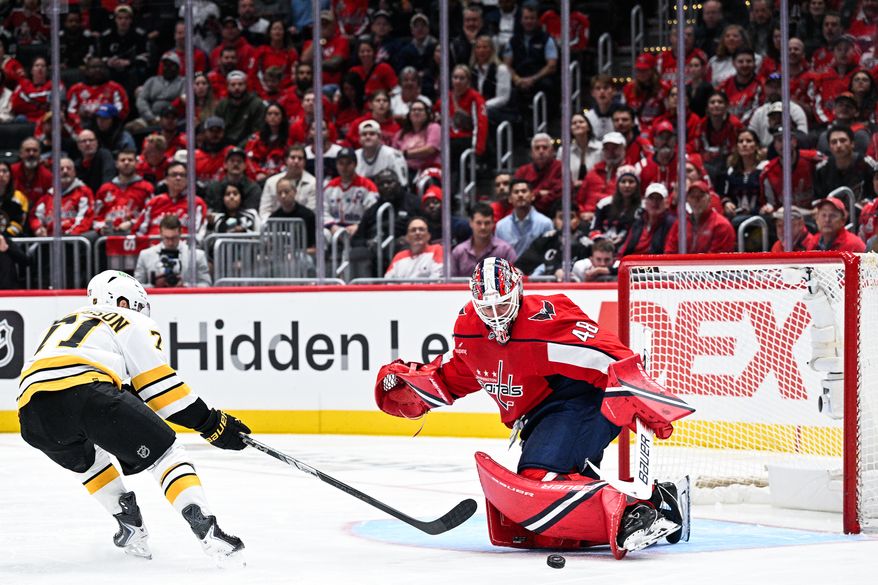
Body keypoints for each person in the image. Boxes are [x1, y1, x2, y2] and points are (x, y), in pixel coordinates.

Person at [373, 256, 691, 558]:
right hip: (542, 416)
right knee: (544, 528)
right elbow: (466, 372)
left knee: (540, 478)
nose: (496, 314)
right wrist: (419, 388)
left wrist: (643, 394)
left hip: (583, 403)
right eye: (487, 306)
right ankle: (653, 508)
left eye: (502, 303)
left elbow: (608, 353)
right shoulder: (469, 329)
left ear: (519, 290)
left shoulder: (547, 320)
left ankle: (642, 507)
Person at [17, 269, 244, 563]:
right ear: (123, 301)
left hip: (32, 413)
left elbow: (121, 389)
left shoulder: (63, 322)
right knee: (166, 453)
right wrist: (212, 424)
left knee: (88, 460)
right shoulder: (129, 319)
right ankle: (205, 525)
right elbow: (161, 389)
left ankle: (129, 524)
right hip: (88, 392)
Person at [134, 215, 212, 287]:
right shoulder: (145, 255)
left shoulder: (197, 255)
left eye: (174, 238)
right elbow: (136, 287)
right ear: (160, 233)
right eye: (167, 238)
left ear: (181, 233)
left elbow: (207, 284)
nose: (170, 242)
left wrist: (185, 286)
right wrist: (154, 286)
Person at [520, 202, 594, 277]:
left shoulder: (587, 245)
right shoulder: (545, 241)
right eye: (561, 217)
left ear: (578, 220)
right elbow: (522, 266)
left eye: (571, 217)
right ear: (554, 221)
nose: (566, 222)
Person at [94, 149, 156, 236]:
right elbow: (96, 217)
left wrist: (132, 223)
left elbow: (152, 213)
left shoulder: (146, 188)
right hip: (108, 235)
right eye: (122, 160)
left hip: (135, 233)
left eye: (130, 160)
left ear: (137, 163)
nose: (126, 162)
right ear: (116, 164)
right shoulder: (105, 189)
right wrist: (101, 228)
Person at [664, 180, 736, 254]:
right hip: (683, 264)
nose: (696, 200)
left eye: (700, 196)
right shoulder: (681, 224)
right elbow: (670, 250)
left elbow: (717, 259)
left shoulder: (721, 225)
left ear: (709, 199)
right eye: (692, 197)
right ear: (687, 200)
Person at [29, 158, 94, 237]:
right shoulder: (47, 197)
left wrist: (69, 235)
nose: (65, 171)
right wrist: (39, 229)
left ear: (74, 172)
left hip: (73, 241)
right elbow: (35, 216)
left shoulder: (83, 192)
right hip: (50, 241)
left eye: (68, 168)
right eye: (61, 169)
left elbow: (86, 218)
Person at [450, 203, 517, 277]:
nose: (483, 227)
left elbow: (513, 281)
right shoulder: (459, 252)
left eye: (487, 223)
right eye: (479, 223)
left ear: (493, 224)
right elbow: (451, 283)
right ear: (471, 223)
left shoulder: (506, 251)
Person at [323, 148, 379, 236]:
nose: (344, 167)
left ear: (355, 164)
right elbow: (323, 210)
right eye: (341, 163)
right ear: (336, 165)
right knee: (323, 234)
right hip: (335, 229)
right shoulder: (330, 186)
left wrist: (359, 226)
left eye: (348, 163)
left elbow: (372, 211)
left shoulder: (368, 186)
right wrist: (332, 226)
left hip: (359, 229)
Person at [495, 179, 553, 257]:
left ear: (532, 196)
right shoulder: (501, 226)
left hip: (537, 269)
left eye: (524, 191)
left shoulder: (545, 223)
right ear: (510, 199)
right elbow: (499, 257)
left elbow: (548, 256)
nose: (520, 195)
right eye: (516, 192)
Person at [260, 145, 318, 220]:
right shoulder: (271, 182)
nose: (296, 161)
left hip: (304, 225)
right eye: (293, 157)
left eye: (300, 158)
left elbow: (312, 211)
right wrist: (272, 225)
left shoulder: (313, 183)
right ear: (286, 160)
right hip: (275, 226)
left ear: (305, 162)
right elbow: (264, 211)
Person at [513, 133, 565, 214]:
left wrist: (533, 195)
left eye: (545, 148)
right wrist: (540, 193)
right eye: (537, 148)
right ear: (531, 153)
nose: (541, 151)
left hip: (553, 213)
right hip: (526, 213)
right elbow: (516, 195)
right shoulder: (522, 171)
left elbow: (560, 194)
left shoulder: (561, 168)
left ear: (552, 151)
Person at [619, 182, 676, 256]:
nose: (655, 202)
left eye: (659, 198)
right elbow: (625, 248)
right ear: (645, 201)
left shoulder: (671, 223)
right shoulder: (638, 222)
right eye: (651, 198)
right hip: (633, 263)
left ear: (666, 203)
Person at [215, 71, 266, 147]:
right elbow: (218, 129)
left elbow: (258, 130)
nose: (237, 88)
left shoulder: (256, 104)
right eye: (233, 85)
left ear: (246, 85)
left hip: (249, 144)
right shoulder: (222, 105)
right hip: (225, 145)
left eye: (240, 84)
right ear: (228, 87)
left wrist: (241, 146)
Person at [355, 120, 408, 185]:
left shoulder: (393, 155)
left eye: (372, 134)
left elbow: (403, 183)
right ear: (359, 139)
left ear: (379, 137)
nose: (367, 137)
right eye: (364, 134)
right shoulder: (355, 155)